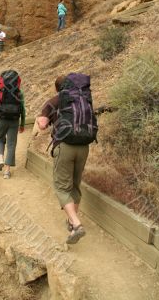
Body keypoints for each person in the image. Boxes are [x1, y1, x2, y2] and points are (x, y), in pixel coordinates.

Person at [37, 74, 98, 244]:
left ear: (58, 88)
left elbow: (42, 124)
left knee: (62, 188)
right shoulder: (83, 99)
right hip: (83, 147)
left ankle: (77, 224)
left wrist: (40, 120)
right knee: (74, 186)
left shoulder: (55, 101)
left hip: (64, 147)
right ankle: (72, 226)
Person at [0, 70, 25, 179]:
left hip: (1, 119)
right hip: (14, 120)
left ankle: (1, 158)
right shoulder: (19, 92)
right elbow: (23, 109)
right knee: (11, 144)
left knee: (0, 139)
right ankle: (7, 171)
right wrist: (22, 124)